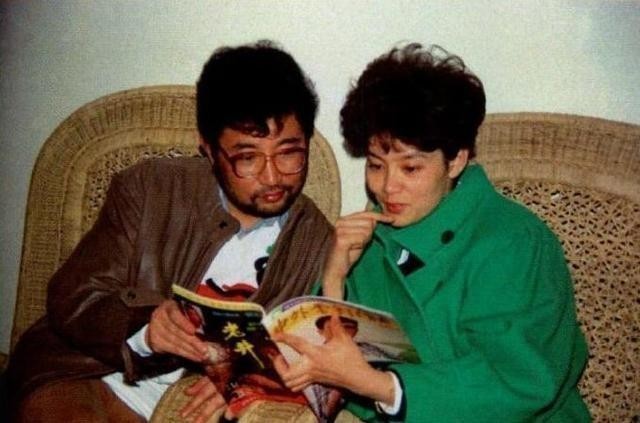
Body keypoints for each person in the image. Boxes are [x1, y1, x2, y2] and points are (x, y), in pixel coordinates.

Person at [8, 40, 333, 422]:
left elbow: (315, 353)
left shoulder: (317, 242)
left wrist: (249, 377)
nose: (273, 176)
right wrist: (145, 328)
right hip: (88, 371)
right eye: (247, 158)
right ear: (208, 149)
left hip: (186, 404)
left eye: (289, 153)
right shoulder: (148, 188)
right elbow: (74, 295)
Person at [274, 44, 590, 422]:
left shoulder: (515, 242)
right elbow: (329, 366)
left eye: (410, 169)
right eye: (376, 165)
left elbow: (518, 381)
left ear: (455, 161)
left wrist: (382, 386)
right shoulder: (367, 238)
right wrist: (334, 277)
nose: (387, 187)